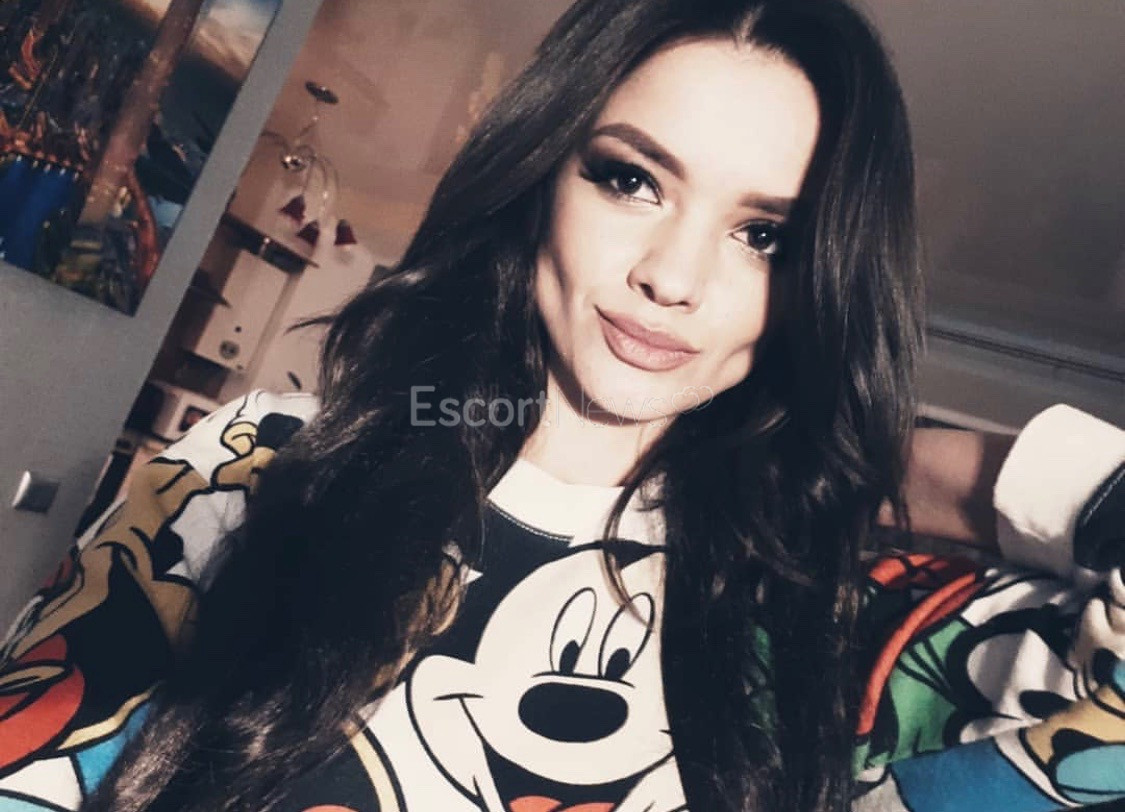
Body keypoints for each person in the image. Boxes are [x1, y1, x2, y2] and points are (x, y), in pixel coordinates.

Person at [0, 0, 1122, 810]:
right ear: (541, 175)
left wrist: (902, 467)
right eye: (631, 178)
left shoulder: (831, 619)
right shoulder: (259, 463)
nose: (673, 277)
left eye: (764, 235)